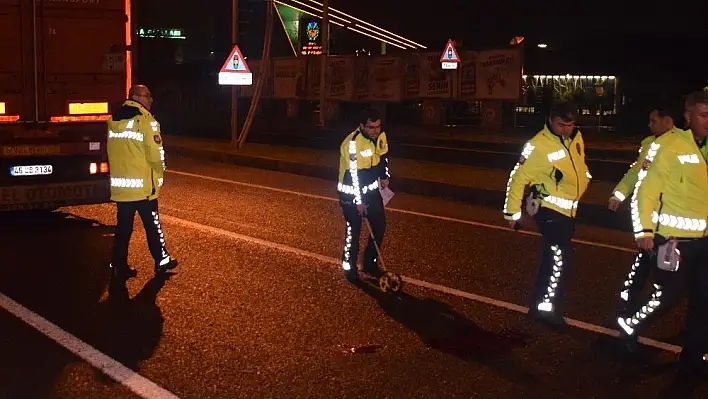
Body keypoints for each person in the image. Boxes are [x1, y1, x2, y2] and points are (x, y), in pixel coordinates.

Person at [617, 91, 708, 384]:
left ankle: (693, 361)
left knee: (703, 303)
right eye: (704, 115)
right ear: (688, 117)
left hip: (705, 243)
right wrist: (643, 230)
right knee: (665, 298)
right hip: (674, 241)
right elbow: (646, 189)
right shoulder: (667, 146)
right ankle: (629, 324)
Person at [503, 101, 591, 326]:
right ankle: (545, 309)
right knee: (558, 258)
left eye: (570, 125)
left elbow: (579, 165)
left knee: (554, 258)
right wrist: (512, 213)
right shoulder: (538, 145)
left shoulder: (575, 138)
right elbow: (518, 178)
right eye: (561, 125)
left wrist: (586, 178)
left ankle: (539, 304)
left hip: (568, 210)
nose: (566, 129)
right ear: (550, 120)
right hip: (550, 210)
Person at [608, 106, 682, 311]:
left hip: (672, 216)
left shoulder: (684, 143)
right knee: (650, 258)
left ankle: (633, 296)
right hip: (652, 216)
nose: (649, 125)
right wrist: (619, 194)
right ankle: (636, 302)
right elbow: (635, 173)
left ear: (668, 121)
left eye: (654, 121)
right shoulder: (649, 144)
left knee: (652, 259)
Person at [106, 85, 178, 279]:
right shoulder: (146, 121)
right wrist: (161, 171)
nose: (150, 100)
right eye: (147, 96)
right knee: (153, 226)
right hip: (144, 188)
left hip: (124, 188)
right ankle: (161, 261)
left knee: (123, 230)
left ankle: (118, 265)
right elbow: (155, 155)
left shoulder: (114, 119)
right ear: (136, 97)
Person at [337, 108, 390, 282]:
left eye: (378, 126)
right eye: (371, 127)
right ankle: (349, 266)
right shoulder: (352, 144)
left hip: (372, 190)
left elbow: (383, 157)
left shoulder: (380, 136)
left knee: (379, 226)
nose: (376, 131)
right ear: (361, 126)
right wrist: (358, 202)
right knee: (354, 229)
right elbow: (354, 176)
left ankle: (370, 263)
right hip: (352, 193)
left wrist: (384, 176)